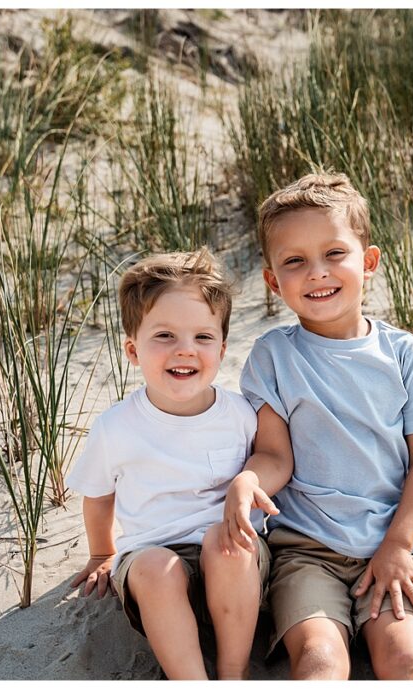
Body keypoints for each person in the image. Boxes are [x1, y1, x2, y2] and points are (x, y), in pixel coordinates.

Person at [219, 173, 413, 679]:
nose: (316, 273)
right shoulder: (274, 356)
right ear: (273, 280)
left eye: (334, 254)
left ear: (368, 263)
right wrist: (249, 480)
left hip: (390, 543)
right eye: (295, 261)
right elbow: (276, 456)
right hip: (306, 550)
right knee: (321, 658)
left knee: (408, 659)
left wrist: (397, 546)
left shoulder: (402, 353)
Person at [68, 248, 269, 680]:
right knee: (158, 571)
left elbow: (265, 468)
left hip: (234, 568)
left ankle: (234, 672)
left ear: (222, 347)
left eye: (202, 337)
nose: (185, 351)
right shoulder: (117, 426)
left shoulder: (239, 414)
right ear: (133, 350)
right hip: (151, 562)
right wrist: (102, 551)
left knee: (227, 542)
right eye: (164, 336)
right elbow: (98, 496)